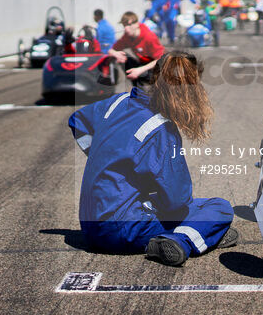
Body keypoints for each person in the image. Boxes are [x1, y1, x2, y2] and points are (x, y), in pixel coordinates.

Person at [68, 51, 237, 266]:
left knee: (174, 205)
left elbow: (77, 121)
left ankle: (200, 235)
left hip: (90, 226)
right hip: (122, 230)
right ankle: (182, 240)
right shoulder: (161, 129)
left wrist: (100, 157)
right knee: (219, 208)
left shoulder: (116, 103)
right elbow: (177, 201)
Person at [107, 11, 166, 85]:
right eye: (124, 26)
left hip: (158, 69)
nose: (126, 28)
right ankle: (137, 88)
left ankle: (148, 87)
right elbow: (111, 50)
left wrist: (140, 70)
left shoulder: (149, 37)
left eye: (129, 25)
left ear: (137, 24)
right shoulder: (127, 37)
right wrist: (115, 53)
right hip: (143, 65)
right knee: (123, 57)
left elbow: (161, 60)